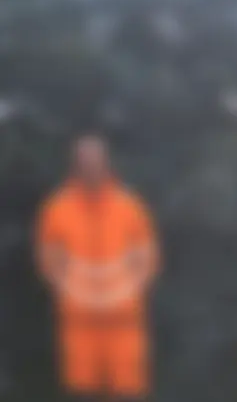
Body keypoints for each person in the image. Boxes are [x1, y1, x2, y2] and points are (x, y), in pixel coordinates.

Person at [35, 133, 160, 402]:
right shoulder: (57, 209)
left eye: (96, 160)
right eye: (84, 161)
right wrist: (76, 292)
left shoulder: (130, 206)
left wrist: (122, 292)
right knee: (83, 393)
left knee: (128, 392)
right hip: (79, 323)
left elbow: (147, 259)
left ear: (107, 163)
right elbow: (49, 262)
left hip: (124, 322)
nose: (90, 167)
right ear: (74, 165)